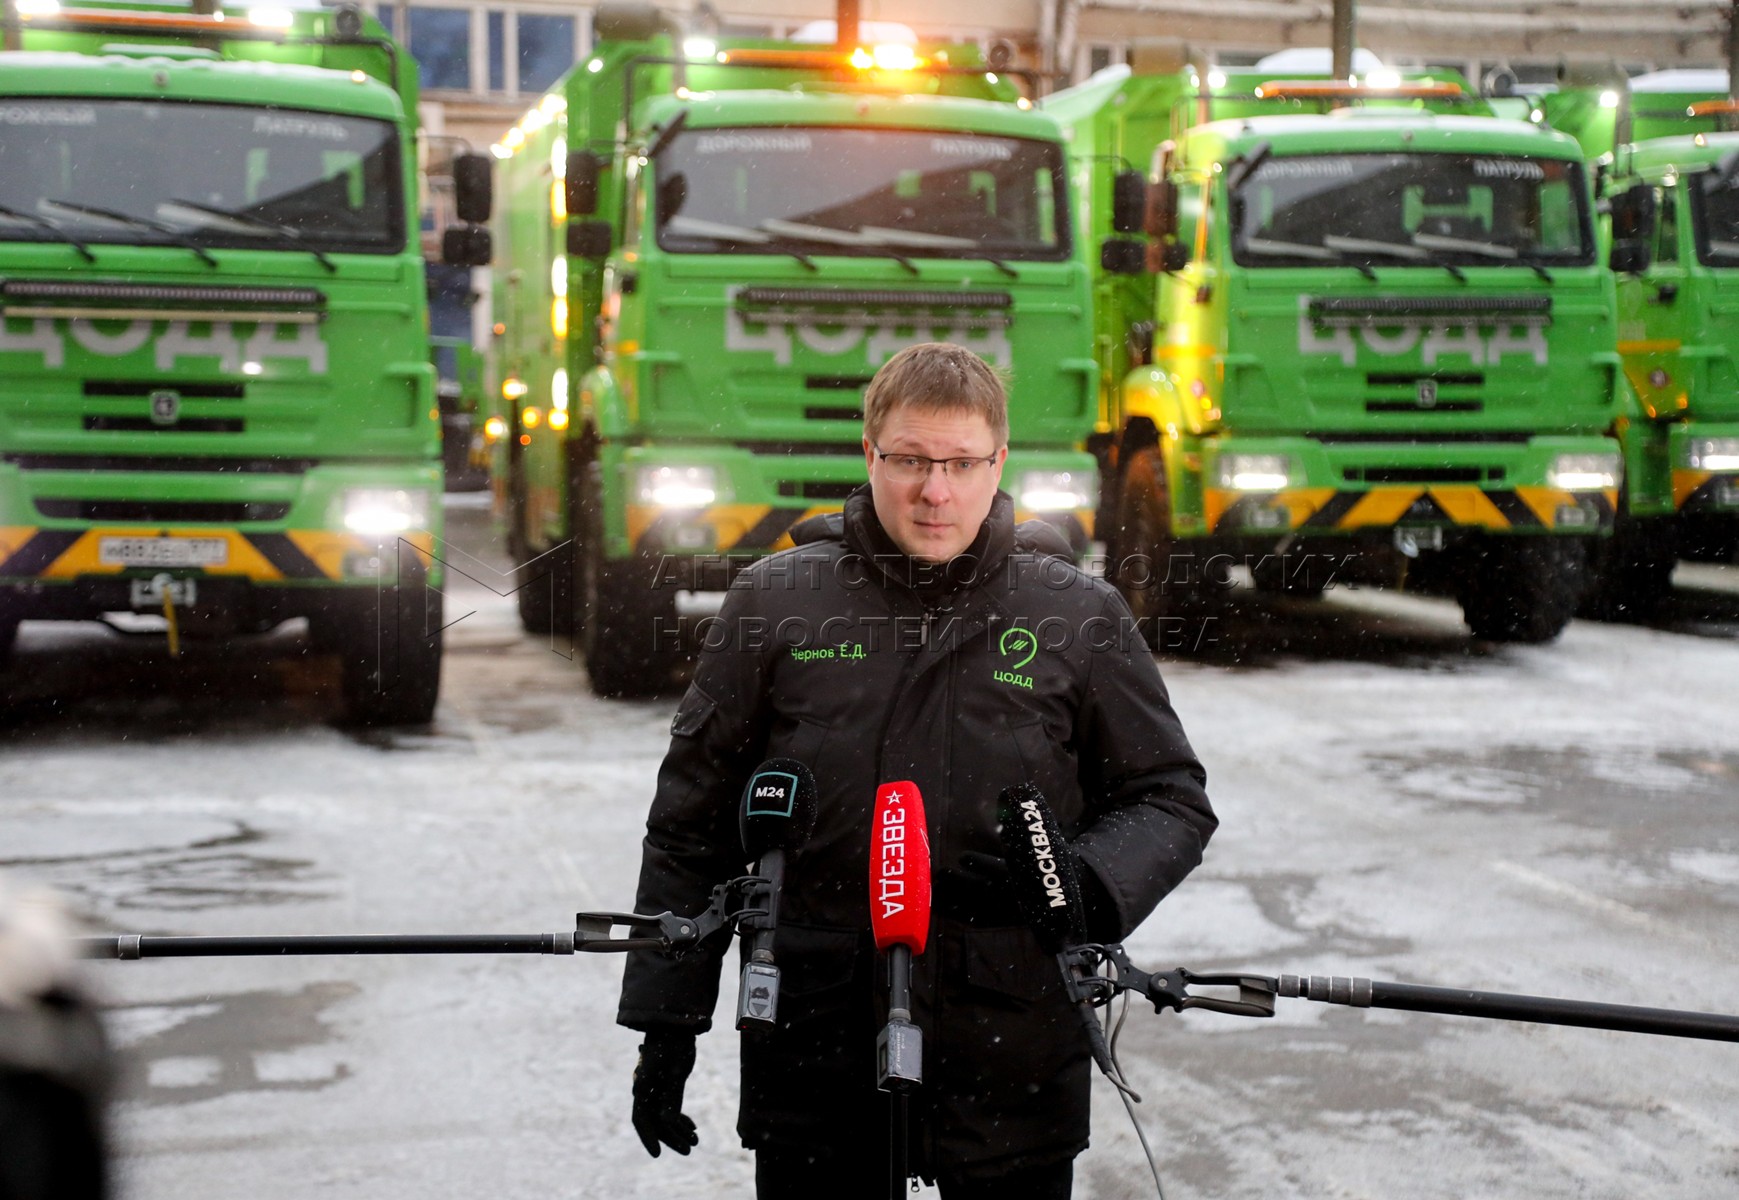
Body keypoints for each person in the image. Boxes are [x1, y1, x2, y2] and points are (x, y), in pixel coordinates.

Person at [617, 342, 1216, 1199]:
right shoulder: (776, 602)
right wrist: (664, 1024)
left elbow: (1168, 799)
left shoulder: (1075, 614)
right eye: (908, 460)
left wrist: (1082, 885)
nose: (935, 490)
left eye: (961, 463)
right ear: (870, 455)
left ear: (998, 463)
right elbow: (691, 825)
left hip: (1009, 1042)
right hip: (818, 1043)